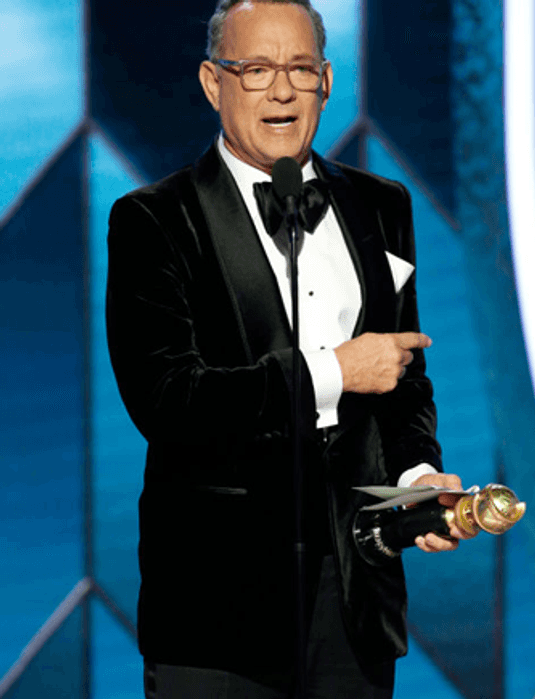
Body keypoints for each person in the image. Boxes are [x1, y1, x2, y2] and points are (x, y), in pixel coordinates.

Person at [105, 1, 468, 697]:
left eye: (300, 69)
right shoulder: (155, 219)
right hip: (218, 610)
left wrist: (418, 478)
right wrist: (332, 372)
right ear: (214, 83)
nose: (280, 90)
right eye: (256, 69)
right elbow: (169, 401)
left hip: (356, 598)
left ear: (327, 81)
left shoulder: (380, 204)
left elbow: (403, 378)